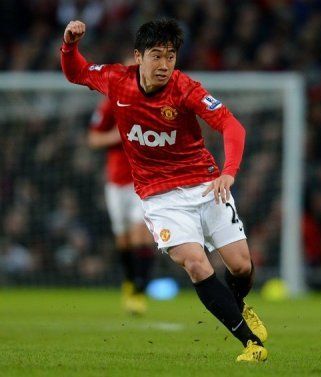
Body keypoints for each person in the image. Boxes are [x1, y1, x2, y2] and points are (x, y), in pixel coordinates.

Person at [61, 18, 268, 362]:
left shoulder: (186, 88)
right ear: (137, 57)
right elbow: (76, 72)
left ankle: (239, 305)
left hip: (205, 186)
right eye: (156, 56)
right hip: (160, 197)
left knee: (241, 266)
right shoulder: (117, 80)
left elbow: (231, 125)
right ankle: (252, 344)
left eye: (170, 56)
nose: (164, 65)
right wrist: (69, 45)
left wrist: (228, 173)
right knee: (196, 264)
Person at [88, 96, 155, 315]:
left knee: (140, 232)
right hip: (116, 184)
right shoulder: (109, 105)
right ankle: (129, 281)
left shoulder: (153, 103)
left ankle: (139, 290)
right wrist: (117, 136)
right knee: (123, 239)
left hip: (143, 181)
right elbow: (93, 139)